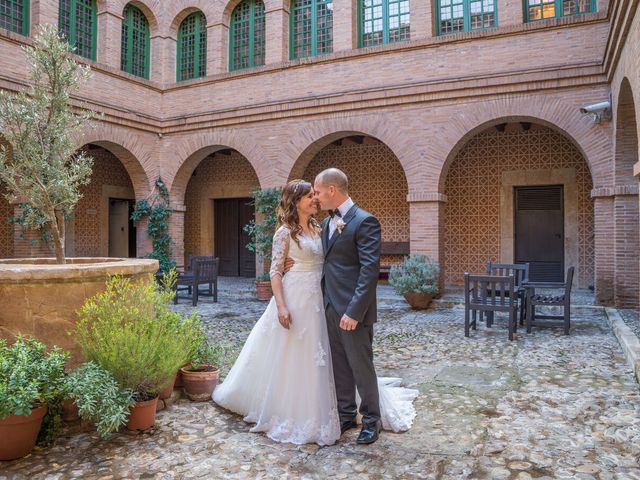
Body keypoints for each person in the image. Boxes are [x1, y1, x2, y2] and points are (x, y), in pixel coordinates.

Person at [213, 177, 417, 446]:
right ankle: (339, 412)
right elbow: (279, 269)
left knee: (354, 360)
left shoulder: (333, 224)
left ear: (332, 190)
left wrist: (354, 310)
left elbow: (366, 270)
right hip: (306, 299)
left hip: (332, 302)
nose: (315, 199)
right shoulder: (293, 230)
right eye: (310, 195)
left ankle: (370, 419)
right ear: (296, 201)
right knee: (326, 359)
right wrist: (284, 298)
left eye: (316, 193)